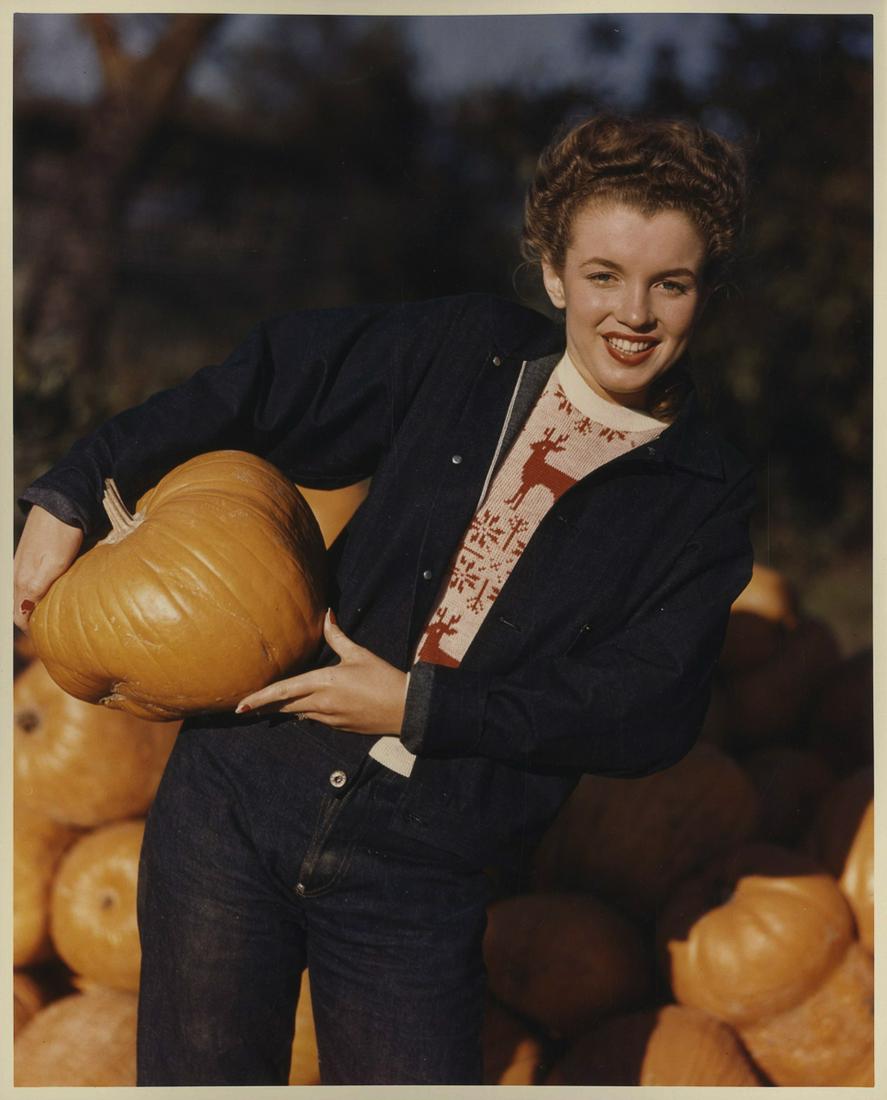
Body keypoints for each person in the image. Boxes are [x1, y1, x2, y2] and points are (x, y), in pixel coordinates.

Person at [13, 113, 754, 1085]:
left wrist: (421, 705)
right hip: (239, 799)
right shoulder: (462, 350)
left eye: (670, 282)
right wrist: (78, 484)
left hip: (421, 872)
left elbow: (645, 706)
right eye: (603, 275)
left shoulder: (702, 495)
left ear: (707, 287)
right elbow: (263, 382)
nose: (633, 313)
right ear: (552, 274)